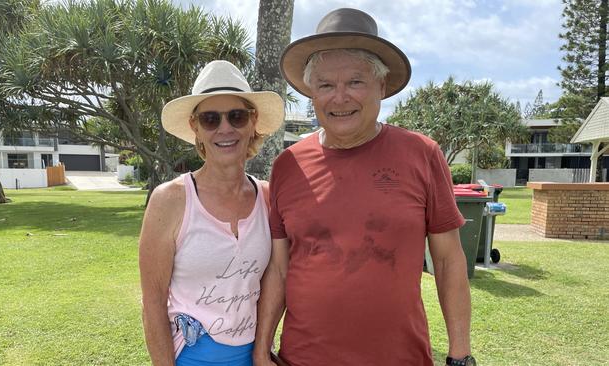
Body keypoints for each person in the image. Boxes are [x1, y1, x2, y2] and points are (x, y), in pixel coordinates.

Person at [253, 8, 476, 366]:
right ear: (312, 93)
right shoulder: (287, 166)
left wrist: (461, 354)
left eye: (355, 82)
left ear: (381, 87)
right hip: (304, 359)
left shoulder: (422, 153)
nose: (339, 97)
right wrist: (262, 347)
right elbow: (279, 268)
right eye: (325, 85)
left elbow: (449, 260)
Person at [139, 60, 284, 366]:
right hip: (191, 357)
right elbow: (153, 302)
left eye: (236, 116)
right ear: (195, 127)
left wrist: (261, 352)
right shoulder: (171, 200)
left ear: (253, 121)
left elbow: (275, 277)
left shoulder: (269, 197)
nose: (225, 129)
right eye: (210, 119)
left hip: (252, 357)